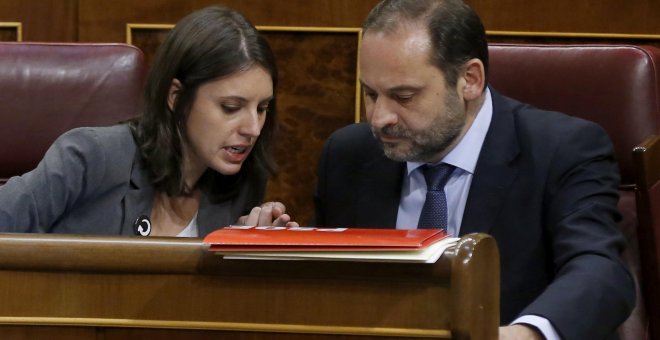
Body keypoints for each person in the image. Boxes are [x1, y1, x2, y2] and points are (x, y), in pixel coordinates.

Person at [313, 0, 635, 339]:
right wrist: (263, 242)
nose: (379, 118)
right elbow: (321, 276)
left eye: (404, 97)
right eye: (370, 94)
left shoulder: (561, 150)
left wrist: (525, 335)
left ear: (470, 80)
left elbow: (600, 271)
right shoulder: (348, 154)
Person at [0, 5, 295, 237]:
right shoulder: (90, 157)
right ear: (176, 97)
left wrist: (246, 252)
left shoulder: (241, 181)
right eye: (231, 107)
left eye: (262, 108)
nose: (253, 129)